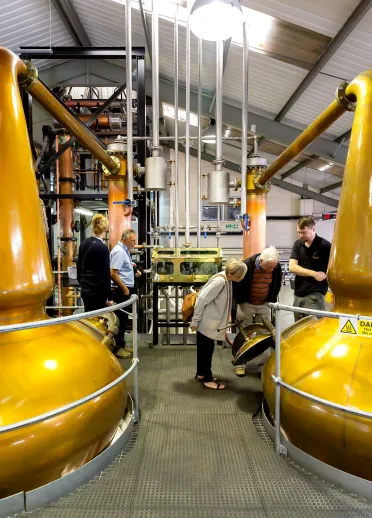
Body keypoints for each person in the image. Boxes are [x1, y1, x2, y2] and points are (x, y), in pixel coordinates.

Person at [190, 258, 247, 390]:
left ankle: (201, 374)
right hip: (207, 322)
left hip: (209, 321)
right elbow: (201, 300)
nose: (243, 277)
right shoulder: (220, 281)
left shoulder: (225, 279)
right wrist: (195, 321)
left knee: (203, 349)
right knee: (207, 350)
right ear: (236, 274)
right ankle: (208, 380)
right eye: (242, 275)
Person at [289, 216, 331, 321]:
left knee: (314, 328)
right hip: (298, 293)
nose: (300, 235)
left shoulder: (325, 246)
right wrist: (314, 274)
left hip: (315, 295)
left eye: (303, 232)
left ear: (313, 229)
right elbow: (292, 267)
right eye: (298, 232)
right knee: (297, 327)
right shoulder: (297, 244)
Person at [110, 229, 141, 359]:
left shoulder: (124, 251)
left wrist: (133, 272)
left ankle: (121, 345)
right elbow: (113, 273)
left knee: (123, 319)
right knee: (120, 320)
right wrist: (124, 289)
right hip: (120, 291)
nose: (135, 243)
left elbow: (121, 270)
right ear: (125, 239)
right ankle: (118, 348)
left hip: (124, 288)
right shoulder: (119, 251)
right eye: (132, 240)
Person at [77, 214, 113, 312]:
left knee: (88, 317)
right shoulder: (103, 247)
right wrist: (109, 297)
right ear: (105, 229)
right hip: (97, 291)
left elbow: (79, 266)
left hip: (85, 290)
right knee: (98, 319)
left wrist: (83, 283)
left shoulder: (83, 243)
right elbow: (106, 274)